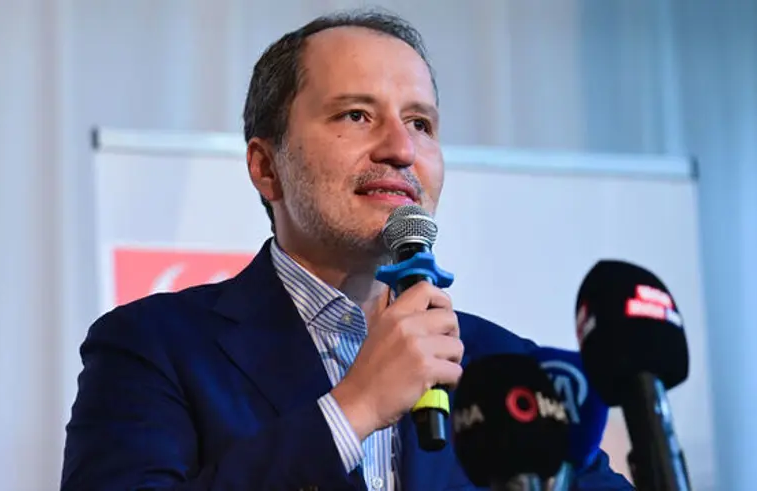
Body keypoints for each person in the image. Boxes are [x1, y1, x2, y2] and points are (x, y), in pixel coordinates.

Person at [60, 8, 633, 491]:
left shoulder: (506, 372)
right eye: (356, 115)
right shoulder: (151, 348)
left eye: (420, 123)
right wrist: (351, 410)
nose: (401, 149)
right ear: (266, 167)